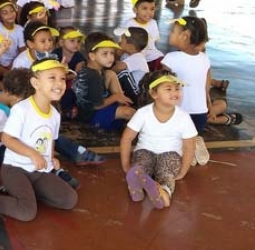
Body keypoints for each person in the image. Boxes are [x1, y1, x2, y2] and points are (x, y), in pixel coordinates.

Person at [0, 59, 78, 221]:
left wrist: (51, 157)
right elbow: (7, 138)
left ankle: (27, 194)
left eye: (62, 79)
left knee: (69, 200)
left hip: (38, 171)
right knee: (27, 212)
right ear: (35, 83)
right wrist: (32, 154)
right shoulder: (22, 109)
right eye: (52, 78)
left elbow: (50, 139)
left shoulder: (54, 114)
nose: (59, 83)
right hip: (15, 169)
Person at [161, 17, 242, 166]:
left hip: (178, 115)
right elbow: (206, 86)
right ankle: (193, 141)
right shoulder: (205, 59)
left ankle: (185, 147)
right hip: (200, 118)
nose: (169, 34)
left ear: (184, 36)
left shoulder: (170, 59)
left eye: (173, 31)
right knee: (188, 132)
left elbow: (162, 88)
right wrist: (209, 105)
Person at [120, 71, 196, 209]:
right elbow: (127, 138)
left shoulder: (183, 117)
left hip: (170, 154)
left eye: (177, 88)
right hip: (145, 151)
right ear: (154, 94)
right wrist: (126, 165)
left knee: (166, 173)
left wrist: (183, 170)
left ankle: (163, 194)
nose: (175, 92)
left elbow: (190, 145)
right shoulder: (143, 113)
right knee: (141, 165)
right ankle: (138, 184)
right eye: (168, 89)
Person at [73, 34, 136, 130]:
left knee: (110, 74)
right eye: (105, 54)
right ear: (92, 56)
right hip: (91, 116)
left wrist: (118, 97)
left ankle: (122, 106)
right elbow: (96, 105)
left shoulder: (94, 70)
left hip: (93, 110)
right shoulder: (92, 75)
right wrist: (115, 97)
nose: (110, 57)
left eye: (112, 53)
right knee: (129, 112)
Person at [121, 0, 163, 70]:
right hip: (134, 56)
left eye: (152, 9)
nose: (149, 12)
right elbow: (122, 44)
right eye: (144, 8)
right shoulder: (129, 24)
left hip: (151, 56)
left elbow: (153, 42)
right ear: (135, 10)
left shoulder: (153, 23)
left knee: (163, 62)